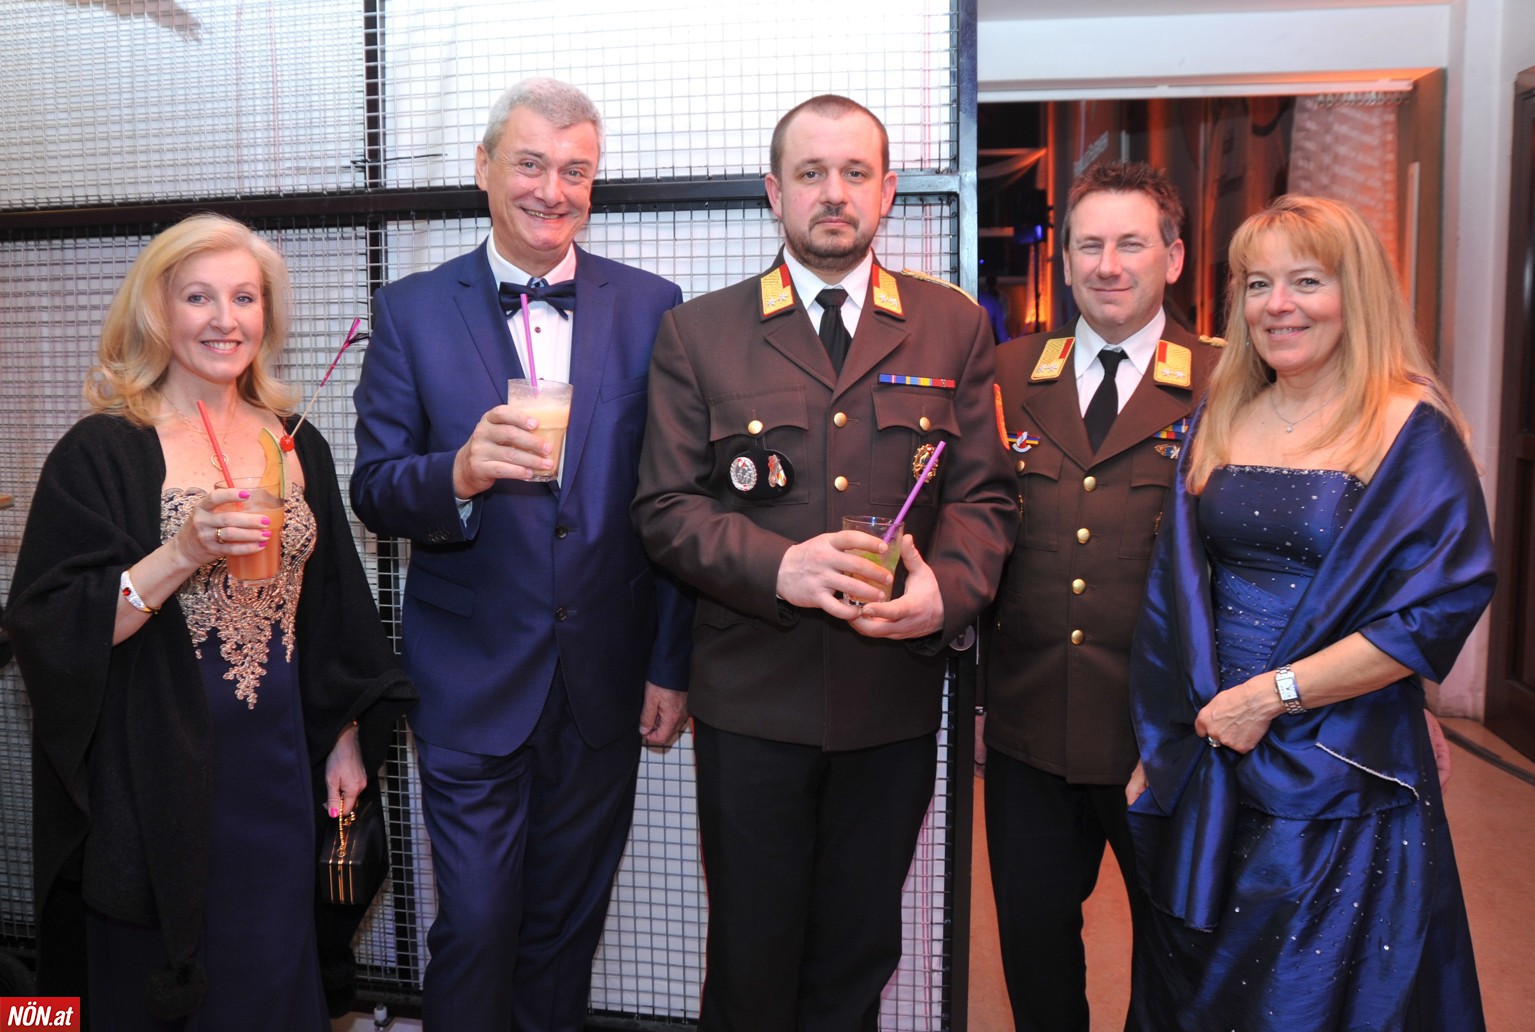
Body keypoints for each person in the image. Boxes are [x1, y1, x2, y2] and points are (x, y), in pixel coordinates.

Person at [632, 94, 1017, 1031]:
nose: (833, 194)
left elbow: (986, 498)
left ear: (887, 191)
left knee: (857, 958)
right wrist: (780, 568)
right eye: (811, 174)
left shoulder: (951, 326)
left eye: (854, 173)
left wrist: (944, 592)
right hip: (752, 703)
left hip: (890, 701)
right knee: (751, 962)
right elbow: (664, 507)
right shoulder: (700, 333)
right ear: (776, 192)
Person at [2, 213, 415, 1028]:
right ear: (157, 312)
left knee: (269, 967)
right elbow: (52, 629)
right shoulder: (102, 452)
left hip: (278, 766)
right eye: (198, 297)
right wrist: (182, 550)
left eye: (244, 298)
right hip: (154, 773)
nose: (225, 320)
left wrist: (341, 736)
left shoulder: (295, 444)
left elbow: (330, 608)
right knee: (162, 982)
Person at [349, 78, 693, 1032]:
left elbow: (674, 504)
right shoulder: (411, 310)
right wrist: (458, 473)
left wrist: (670, 663)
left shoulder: (654, 306)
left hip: (604, 676)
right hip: (469, 675)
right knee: (477, 923)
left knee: (563, 928)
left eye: (575, 170)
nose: (552, 189)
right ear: (483, 168)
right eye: (531, 164)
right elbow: (374, 488)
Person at [1125, 195, 1495, 1029]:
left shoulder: (1406, 425)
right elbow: (1173, 599)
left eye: (1305, 281)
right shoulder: (1220, 415)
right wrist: (1163, 742)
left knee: (1304, 996)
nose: (1277, 306)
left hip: (1336, 765)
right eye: (1257, 284)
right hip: (1212, 752)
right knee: (1198, 993)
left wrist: (1272, 697)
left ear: (1353, 293)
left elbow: (1430, 611)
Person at [982, 160, 1223, 1031]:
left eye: (1130, 243)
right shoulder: (1009, 372)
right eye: (1088, 245)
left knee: (1177, 954)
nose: (1107, 265)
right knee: (1034, 950)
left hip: (1167, 737)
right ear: (1065, 260)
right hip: (1028, 727)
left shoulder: (1228, 380)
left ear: (1173, 257)